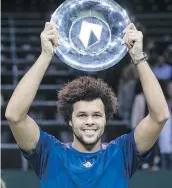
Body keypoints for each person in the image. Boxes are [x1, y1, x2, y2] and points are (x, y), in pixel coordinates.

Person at [5, 22, 169, 188]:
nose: (90, 121)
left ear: (106, 119)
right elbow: (14, 116)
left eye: (96, 115)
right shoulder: (49, 153)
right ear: (70, 120)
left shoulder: (121, 153)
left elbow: (160, 116)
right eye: (82, 115)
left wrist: (138, 57)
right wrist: (46, 55)